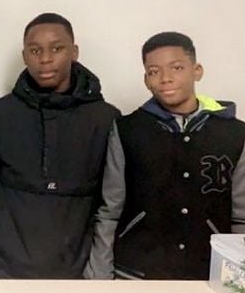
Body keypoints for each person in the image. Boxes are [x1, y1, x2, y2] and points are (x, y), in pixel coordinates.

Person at [86, 31, 245, 280]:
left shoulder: (234, 133)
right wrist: (100, 279)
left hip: (207, 273)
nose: (166, 78)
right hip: (136, 271)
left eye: (177, 68)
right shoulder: (128, 130)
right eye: (154, 71)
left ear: (197, 71)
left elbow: (241, 216)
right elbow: (110, 211)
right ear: (146, 79)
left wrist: (237, 280)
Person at [0, 12, 120, 278]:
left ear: (74, 52)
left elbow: (110, 196)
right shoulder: (1, 114)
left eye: (56, 48)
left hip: (77, 266)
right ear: (24, 56)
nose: (45, 59)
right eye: (35, 50)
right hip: (4, 263)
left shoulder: (105, 118)